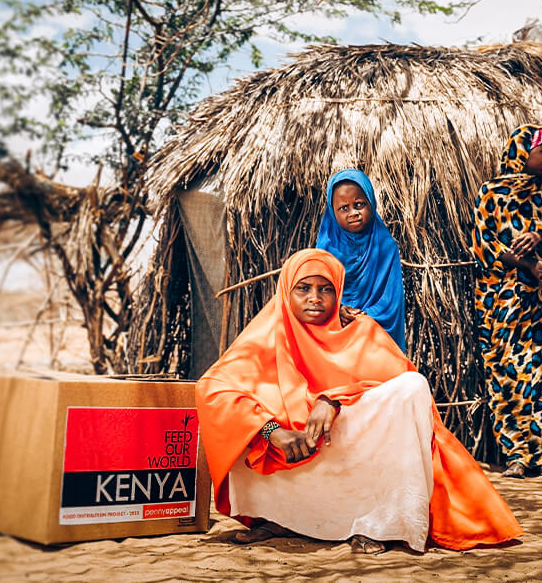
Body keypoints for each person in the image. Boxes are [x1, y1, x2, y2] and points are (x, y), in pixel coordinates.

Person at [196, 249, 521, 554]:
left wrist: (333, 399)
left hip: (350, 459)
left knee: (412, 387)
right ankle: (277, 518)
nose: (315, 298)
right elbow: (213, 387)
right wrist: (272, 432)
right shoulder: (265, 336)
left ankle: (380, 524)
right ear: (286, 292)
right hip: (290, 457)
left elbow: (401, 384)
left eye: (326, 289)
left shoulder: (360, 331)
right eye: (303, 288)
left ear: (338, 293)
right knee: (230, 416)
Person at [470, 124, 542, 479]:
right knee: (507, 372)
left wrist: (539, 235)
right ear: (522, 153)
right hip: (501, 301)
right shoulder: (491, 193)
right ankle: (515, 454)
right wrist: (530, 263)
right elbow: (485, 246)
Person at [315, 169, 407, 353]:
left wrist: (363, 318)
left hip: (374, 336)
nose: (353, 213)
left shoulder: (385, 247)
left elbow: (391, 300)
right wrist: (337, 310)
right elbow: (318, 293)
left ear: (371, 203)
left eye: (359, 204)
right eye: (344, 208)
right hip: (334, 334)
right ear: (333, 212)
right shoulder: (325, 250)